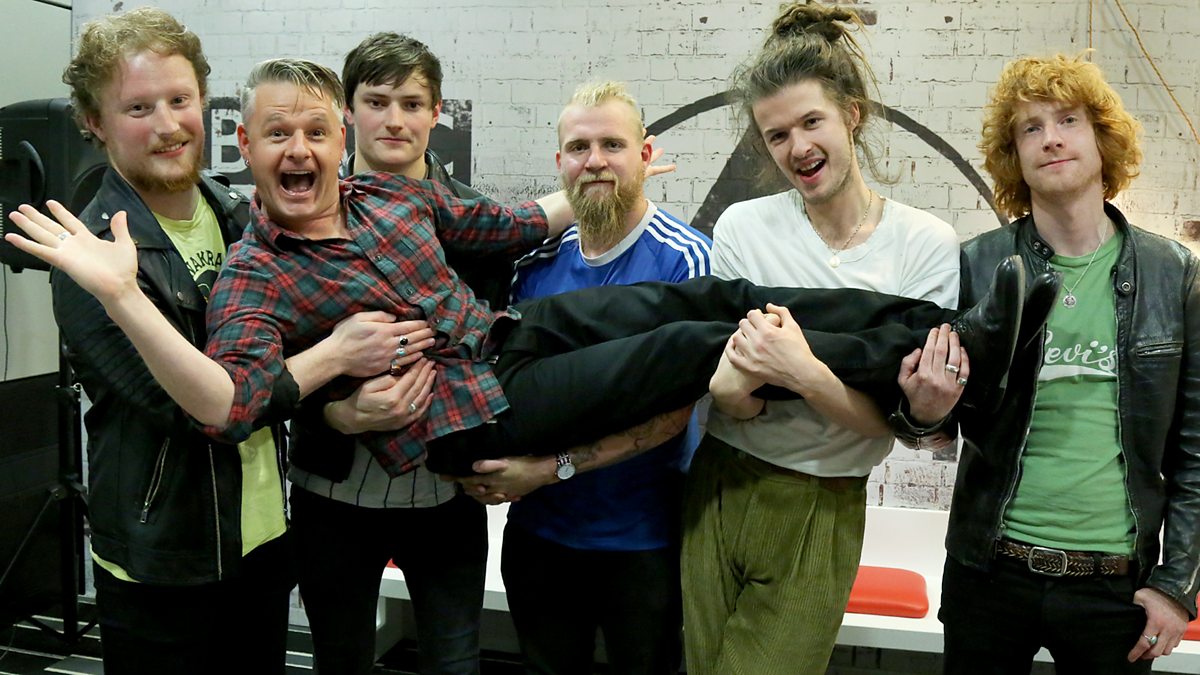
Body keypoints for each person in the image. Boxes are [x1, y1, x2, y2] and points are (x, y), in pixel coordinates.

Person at [8, 58, 1032, 525]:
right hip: (476, 417)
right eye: (278, 133)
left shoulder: (390, 197)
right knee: (696, 349)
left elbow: (514, 225)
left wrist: (608, 170)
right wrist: (127, 296)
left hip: (507, 339)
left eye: (316, 130)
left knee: (713, 299)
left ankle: (950, 336)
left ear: (338, 137)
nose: (301, 149)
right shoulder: (253, 272)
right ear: (250, 143)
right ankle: (944, 364)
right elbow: (227, 406)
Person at [49, 12, 402, 675]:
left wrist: (334, 408)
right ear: (95, 122)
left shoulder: (239, 215)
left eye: (180, 99)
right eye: (138, 108)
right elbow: (200, 411)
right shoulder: (90, 260)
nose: (168, 125)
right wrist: (335, 355)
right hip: (163, 565)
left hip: (262, 543)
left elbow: (280, 362)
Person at [676, 4, 963, 673]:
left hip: (822, 499)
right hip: (718, 483)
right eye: (776, 134)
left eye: (812, 122)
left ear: (851, 114)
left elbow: (890, 426)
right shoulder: (742, 228)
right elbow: (730, 394)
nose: (797, 147)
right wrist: (741, 388)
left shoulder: (924, 245)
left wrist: (800, 371)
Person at [909, 53, 1200, 674]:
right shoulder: (976, 266)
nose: (1051, 139)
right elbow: (932, 428)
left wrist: (1177, 586)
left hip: (1115, 587)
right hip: (988, 574)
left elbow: (1197, 449)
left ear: (1102, 139)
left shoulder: (1174, 275)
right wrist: (923, 413)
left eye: (1068, 120)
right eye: (1030, 128)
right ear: (1014, 156)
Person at [456, 81, 710, 674]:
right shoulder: (532, 265)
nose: (594, 161)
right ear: (560, 163)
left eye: (612, 145)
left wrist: (546, 470)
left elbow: (674, 416)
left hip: (643, 543)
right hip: (540, 538)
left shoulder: (686, 260)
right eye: (579, 147)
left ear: (644, 155)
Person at [283, 33, 494, 675]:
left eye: (412, 103)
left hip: (447, 495)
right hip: (331, 492)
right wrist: (333, 413)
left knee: (454, 662)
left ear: (437, 112)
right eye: (377, 102)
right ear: (349, 110)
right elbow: (269, 361)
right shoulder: (300, 212)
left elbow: (497, 344)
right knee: (340, 660)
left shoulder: (476, 219)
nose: (394, 120)